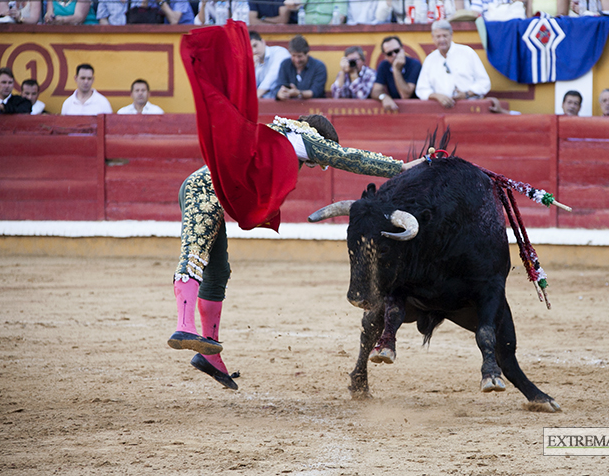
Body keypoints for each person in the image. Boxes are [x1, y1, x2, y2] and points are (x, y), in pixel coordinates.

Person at [175, 21, 426, 389]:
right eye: (320, 157)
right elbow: (348, 158)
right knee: (195, 253)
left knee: (218, 271)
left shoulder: (286, 138)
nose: (319, 164)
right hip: (203, 186)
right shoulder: (303, 138)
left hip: (213, 188)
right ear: (318, 138)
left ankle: (209, 354)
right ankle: (183, 327)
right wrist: (399, 167)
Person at [415, 20, 491, 109]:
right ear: (433, 38)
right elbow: (421, 89)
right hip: (440, 110)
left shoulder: (467, 52)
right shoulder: (430, 59)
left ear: (451, 35)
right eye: (438, 36)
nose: (442, 40)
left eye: (445, 36)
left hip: (469, 108)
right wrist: (437, 96)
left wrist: (466, 94)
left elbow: (484, 83)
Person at [370, 36, 422, 111]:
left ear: (402, 49)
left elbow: (405, 95)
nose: (394, 55)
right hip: (395, 111)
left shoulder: (414, 64)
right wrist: (383, 97)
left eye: (396, 51)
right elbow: (375, 91)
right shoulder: (384, 65)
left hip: (416, 110)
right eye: (389, 53)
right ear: (385, 56)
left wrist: (396, 69)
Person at [275, 34, 327, 100]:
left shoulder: (319, 66)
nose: (297, 60)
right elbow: (278, 86)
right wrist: (279, 94)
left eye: (300, 56)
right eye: (293, 56)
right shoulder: (285, 64)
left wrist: (298, 93)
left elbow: (316, 92)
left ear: (307, 53)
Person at [251, 31, 290, 98]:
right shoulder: (254, 61)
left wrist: (256, 95)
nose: (254, 51)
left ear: (263, 42)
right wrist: (252, 68)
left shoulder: (279, 52)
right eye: (250, 48)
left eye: (255, 45)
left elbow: (272, 77)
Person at [130, 0, 195, 24]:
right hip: (161, 32)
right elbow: (139, 21)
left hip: (183, 31)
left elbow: (174, 21)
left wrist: (160, 0)